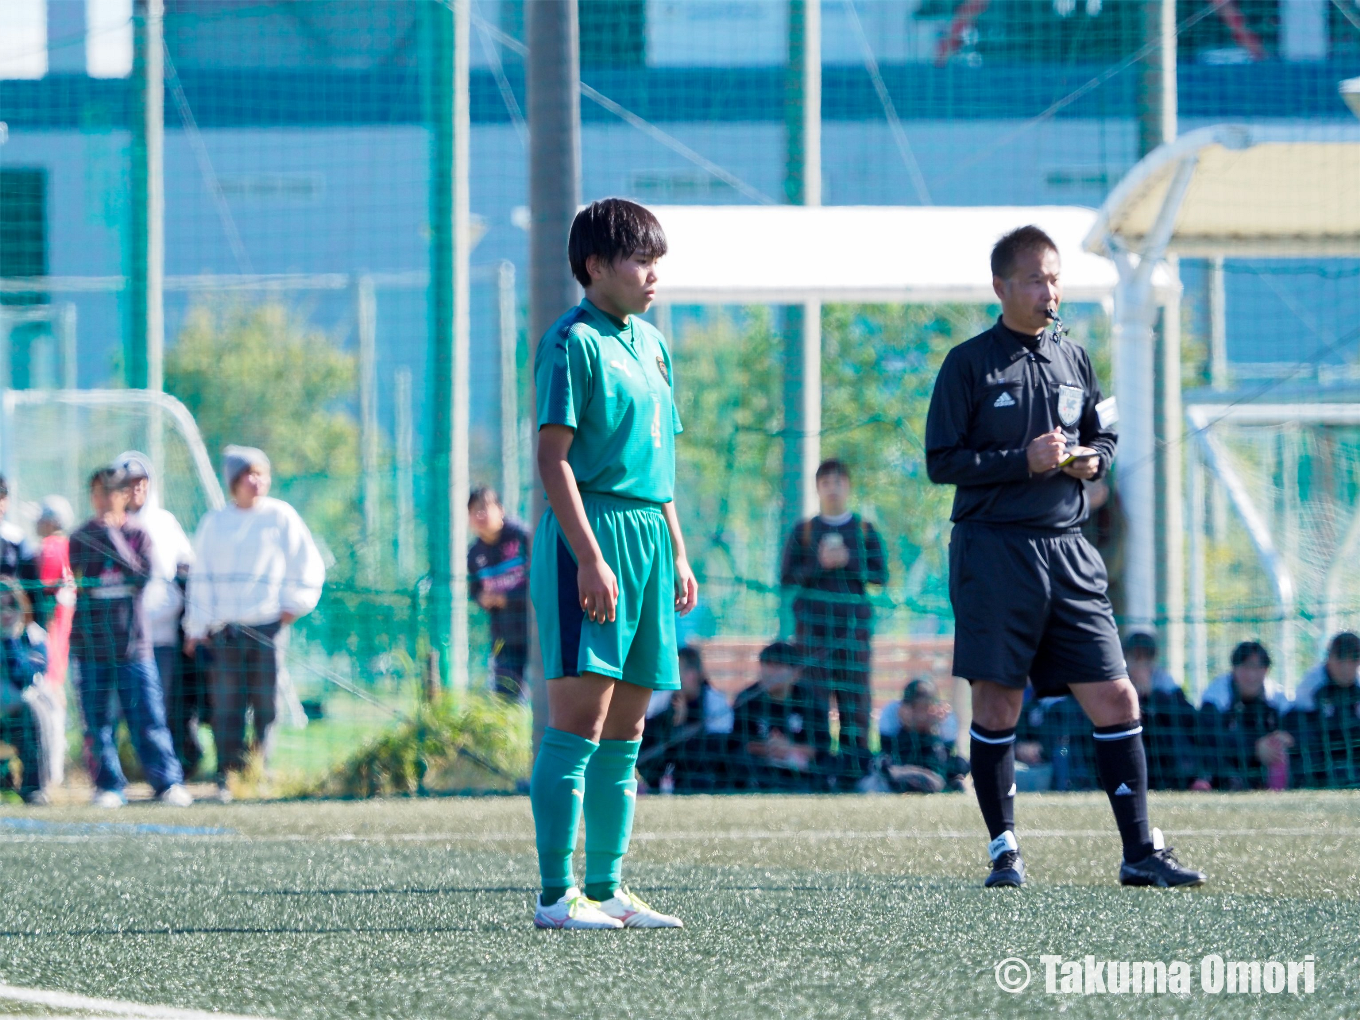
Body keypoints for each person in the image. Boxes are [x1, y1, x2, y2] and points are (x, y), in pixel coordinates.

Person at [925, 225, 1204, 888]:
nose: (1049, 290)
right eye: (1034, 279)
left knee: (1117, 698)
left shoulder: (1076, 357)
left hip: (1071, 552)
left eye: (1054, 277)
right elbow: (941, 462)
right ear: (1002, 287)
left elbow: (1103, 431)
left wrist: (1090, 462)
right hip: (995, 553)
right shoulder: (969, 365)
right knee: (997, 707)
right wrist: (1021, 461)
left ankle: (1140, 852)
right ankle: (1004, 852)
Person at [527, 198, 696, 930]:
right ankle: (554, 897)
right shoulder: (572, 342)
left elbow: (658, 464)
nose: (653, 273)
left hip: (650, 539)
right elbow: (552, 460)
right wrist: (589, 559)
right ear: (595, 267)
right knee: (578, 722)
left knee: (628, 727)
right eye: (639, 259)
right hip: (589, 537)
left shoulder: (654, 345)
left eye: (658, 260)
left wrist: (679, 552)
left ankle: (606, 889)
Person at [184, 447, 325, 802]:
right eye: (247, 474)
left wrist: (295, 605)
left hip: (268, 627)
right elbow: (202, 578)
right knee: (226, 704)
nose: (255, 481)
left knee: (266, 704)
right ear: (233, 481)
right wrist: (197, 627)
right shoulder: (214, 523)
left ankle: (259, 768)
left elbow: (306, 563)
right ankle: (227, 774)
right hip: (226, 632)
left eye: (261, 473)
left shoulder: (281, 516)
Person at [69, 467, 190, 808]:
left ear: (124, 496)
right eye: (98, 492)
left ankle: (167, 782)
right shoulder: (79, 538)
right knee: (98, 722)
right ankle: (108, 785)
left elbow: (139, 575)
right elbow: (78, 582)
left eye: (110, 492)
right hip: (91, 647)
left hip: (133, 646)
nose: (104, 499)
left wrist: (112, 535)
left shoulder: (139, 534)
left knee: (148, 717)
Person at [778, 459, 886, 779]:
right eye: (826, 482)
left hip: (854, 634)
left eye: (838, 481)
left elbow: (881, 575)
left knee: (855, 698)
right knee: (815, 696)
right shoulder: (805, 531)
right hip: (813, 633)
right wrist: (820, 564)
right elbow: (786, 577)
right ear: (817, 488)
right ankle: (818, 765)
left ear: (848, 486)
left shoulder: (864, 530)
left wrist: (849, 561)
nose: (832, 487)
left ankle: (856, 766)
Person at [115, 452, 201, 776]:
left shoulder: (165, 523)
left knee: (160, 705)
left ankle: (166, 771)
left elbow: (185, 569)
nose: (135, 489)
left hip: (162, 635)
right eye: (127, 483)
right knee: (120, 708)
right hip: (120, 638)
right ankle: (129, 769)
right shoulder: (109, 527)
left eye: (140, 482)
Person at [730, 641, 830, 791]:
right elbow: (738, 743)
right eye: (766, 664)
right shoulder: (747, 699)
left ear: (795, 673)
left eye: (777, 665)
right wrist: (769, 748)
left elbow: (820, 747)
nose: (770, 671)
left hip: (799, 765)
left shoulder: (810, 701)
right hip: (760, 765)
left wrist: (789, 749)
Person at [1196, 640, 1293, 791]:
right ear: (1234, 669)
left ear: (1266, 670)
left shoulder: (1278, 696)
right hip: (1227, 764)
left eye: (1256, 667)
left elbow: (1301, 729)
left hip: (1264, 763)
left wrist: (1285, 738)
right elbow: (1210, 736)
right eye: (1245, 667)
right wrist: (1254, 748)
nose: (1250, 675)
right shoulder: (1216, 695)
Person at [637, 645, 735, 792]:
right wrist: (672, 721)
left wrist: (682, 728)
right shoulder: (661, 700)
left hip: (704, 774)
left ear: (695, 674)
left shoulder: (716, 702)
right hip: (661, 770)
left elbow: (716, 749)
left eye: (682, 671)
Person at [467, 486, 530, 702]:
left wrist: (507, 598)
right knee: (505, 701)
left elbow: (545, 582)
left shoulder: (523, 537)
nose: (480, 515)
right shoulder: (474, 554)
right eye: (474, 510)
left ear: (500, 509)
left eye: (485, 508)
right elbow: (474, 591)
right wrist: (482, 598)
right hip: (504, 638)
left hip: (538, 633)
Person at [1123, 631, 1202, 791]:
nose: (1141, 663)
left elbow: (1188, 717)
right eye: (1136, 657)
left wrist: (1153, 696)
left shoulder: (1165, 682)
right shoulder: (1117, 679)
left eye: (1146, 658)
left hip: (1163, 753)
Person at [1287, 632, 1360, 789]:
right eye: (1341, 659)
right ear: (1329, 658)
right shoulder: (1312, 684)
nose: (1346, 667)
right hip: (1318, 751)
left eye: (1353, 659)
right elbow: (1296, 723)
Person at [875, 677, 969, 793]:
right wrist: (908, 728)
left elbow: (947, 756)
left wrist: (932, 729)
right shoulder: (892, 713)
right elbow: (886, 751)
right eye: (915, 706)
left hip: (932, 769)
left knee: (960, 764)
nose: (921, 712)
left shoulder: (946, 719)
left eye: (926, 706)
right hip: (901, 765)